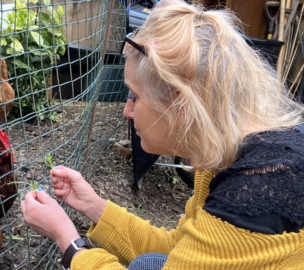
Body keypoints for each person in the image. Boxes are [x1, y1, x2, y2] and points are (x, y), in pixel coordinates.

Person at [20, 0, 304, 269]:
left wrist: (67, 240)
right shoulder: (224, 155)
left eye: (134, 97)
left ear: (179, 104)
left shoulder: (248, 201)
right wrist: (91, 205)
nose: (126, 112)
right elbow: (177, 250)